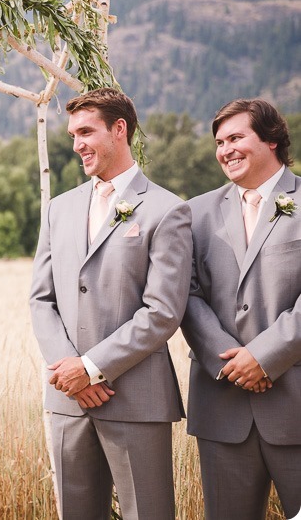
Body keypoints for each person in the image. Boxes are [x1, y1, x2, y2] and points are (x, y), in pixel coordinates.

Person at [29, 88, 192, 519]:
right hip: (68, 400)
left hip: (136, 398)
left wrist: (91, 368)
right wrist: (71, 370)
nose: (77, 143)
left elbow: (163, 311)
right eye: (72, 134)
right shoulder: (58, 210)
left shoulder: (166, 210)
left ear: (119, 130)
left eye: (87, 131)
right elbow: (40, 299)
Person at [180, 99, 300, 520]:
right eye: (219, 142)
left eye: (236, 138)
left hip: (296, 399)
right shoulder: (194, 213)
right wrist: (232, 362)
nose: (225, 149)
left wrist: (264, 358)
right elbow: (186, 296)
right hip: (222, 405)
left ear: (271, 140)